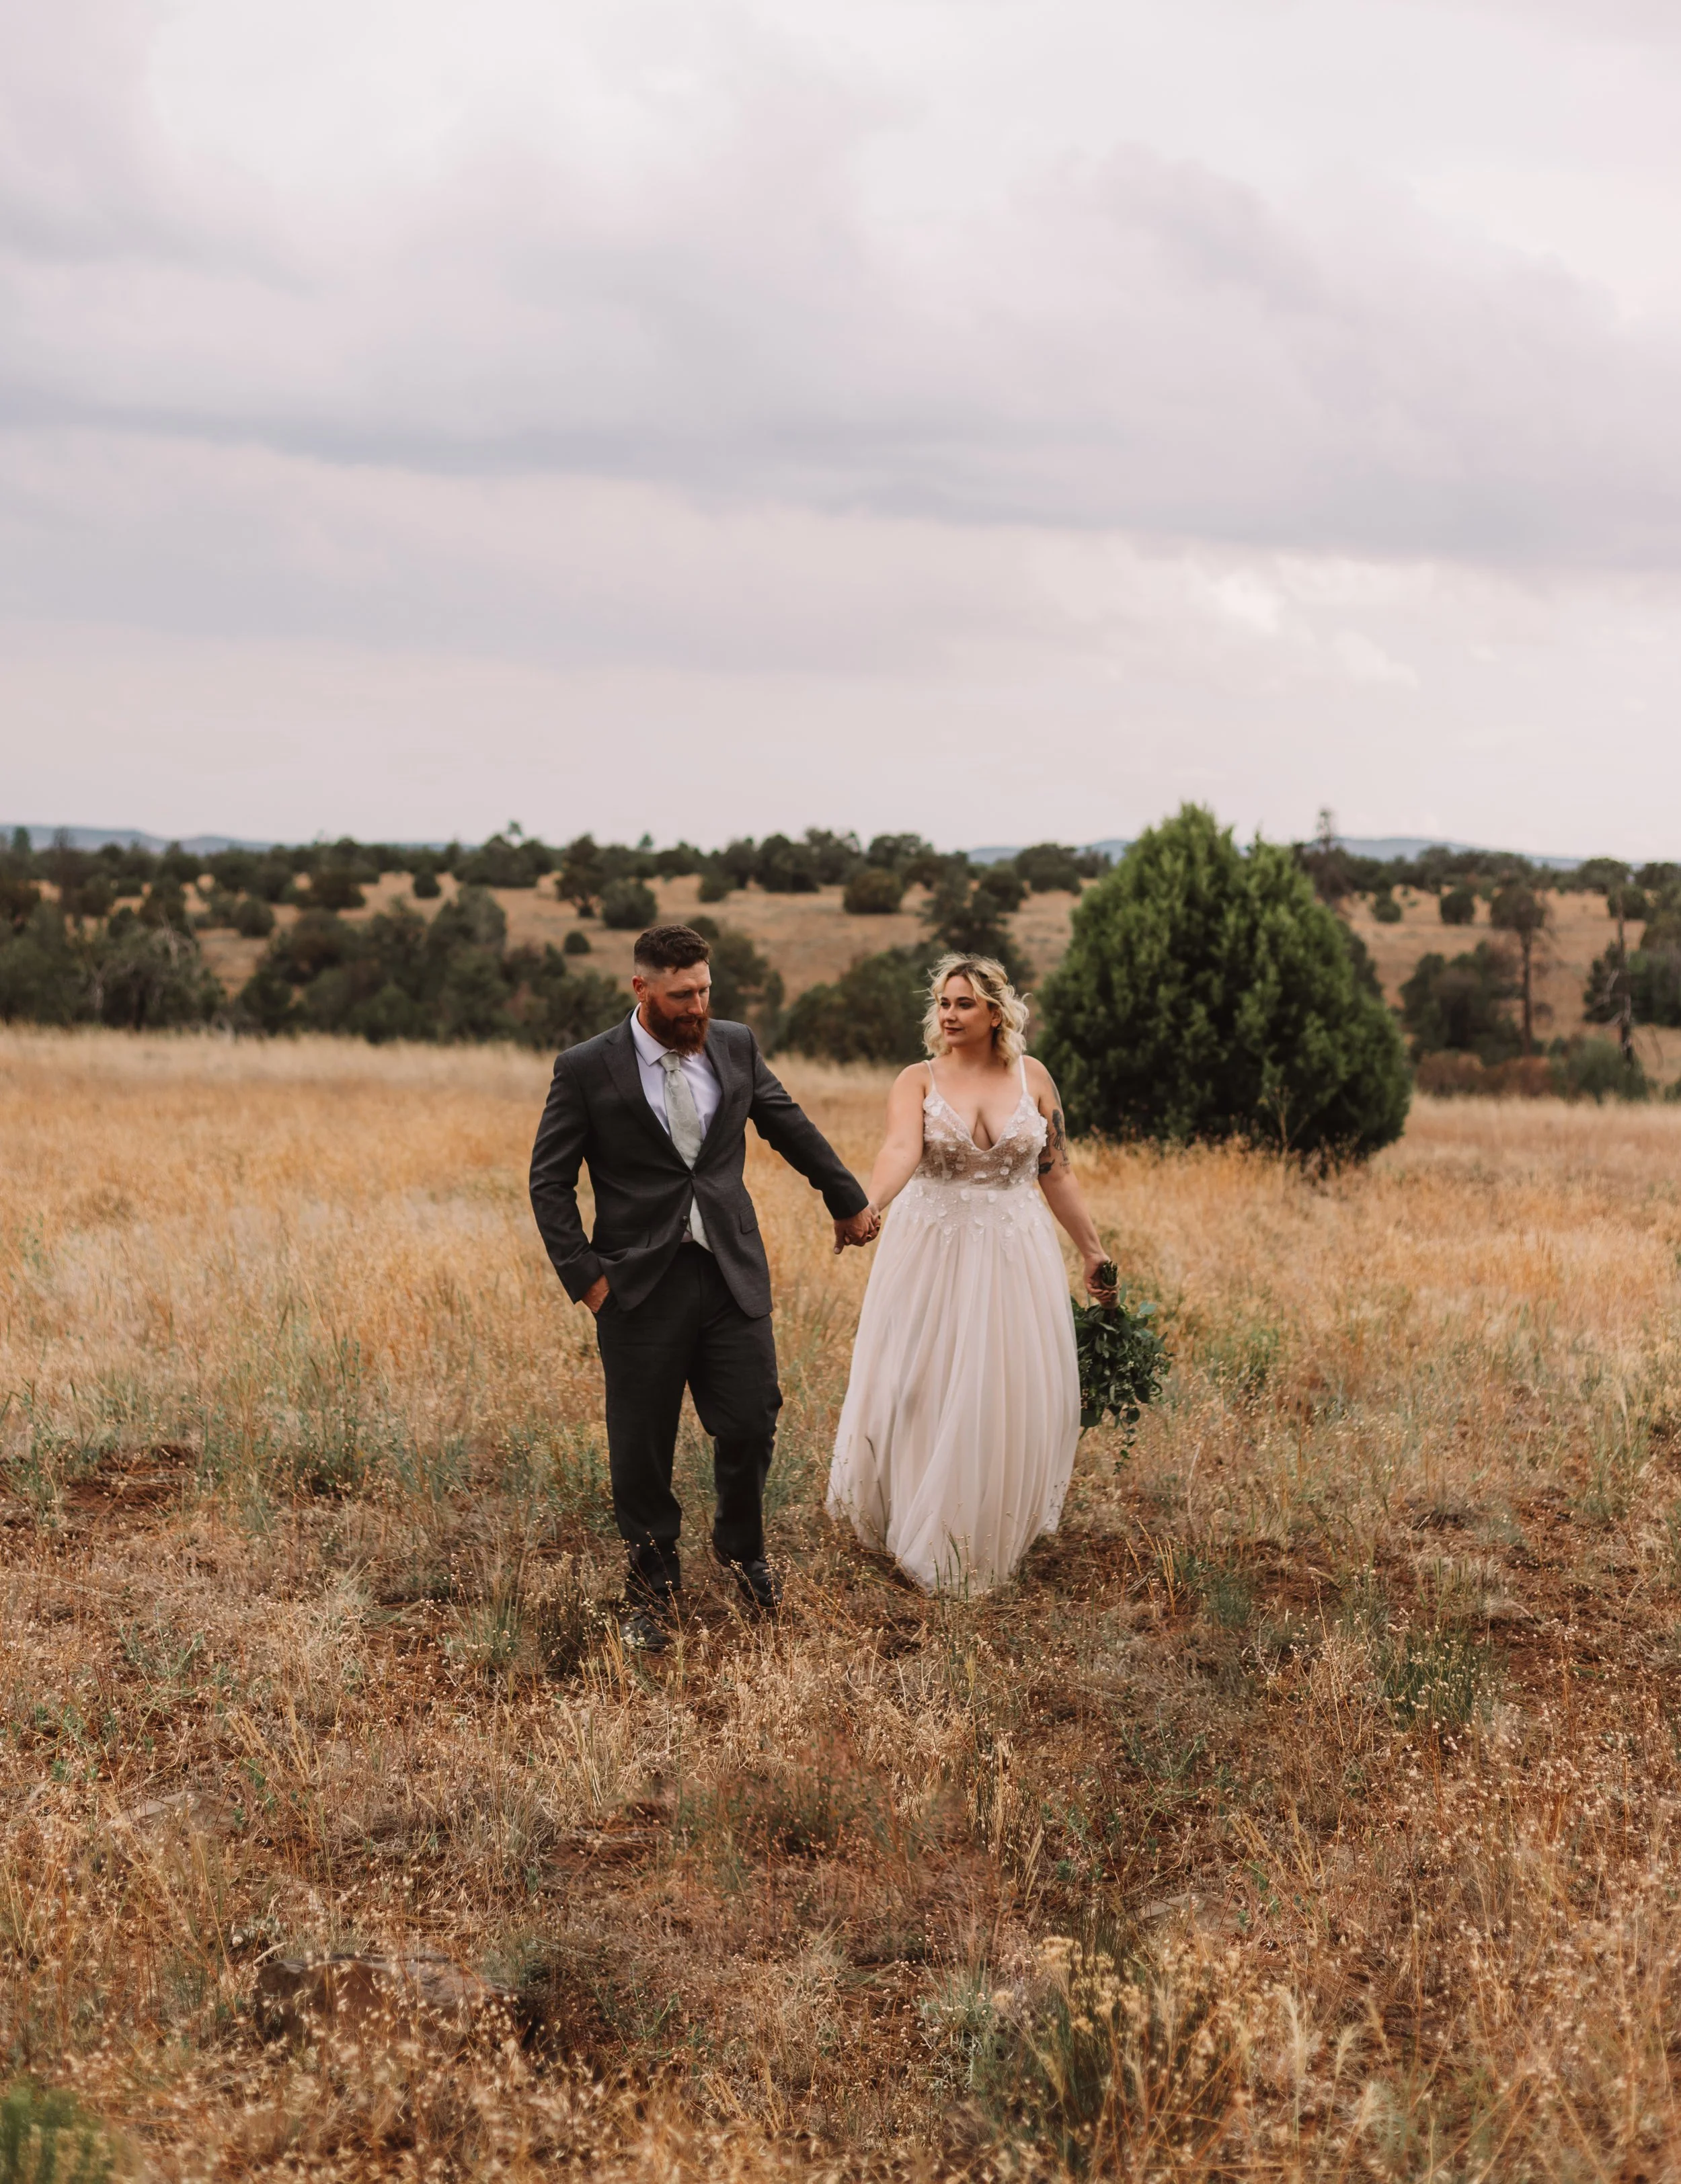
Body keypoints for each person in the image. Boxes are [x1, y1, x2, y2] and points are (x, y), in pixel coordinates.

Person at [529, 922, 879, 1651]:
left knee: (752, 1418)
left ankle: (740, 1548)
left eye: (705, 991)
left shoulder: (734, 1044)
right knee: (642, 1444)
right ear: (642, 989)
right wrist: (588, 1281)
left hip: (729, 1271)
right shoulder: (586, 1067)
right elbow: (549, 1182)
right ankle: (652, 1588)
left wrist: (845, 1198)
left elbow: (787, 1123)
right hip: (636, 1284)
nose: (696, 1007)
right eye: (681, 995)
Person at [827, 953, 1116, 1593]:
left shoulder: (1034, 1077)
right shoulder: (917, 1079)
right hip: (930, 1250)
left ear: (994, 1011)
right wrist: (869, 1205)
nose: (948, 1014)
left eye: (962, 1003)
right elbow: (901, 1149)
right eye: (943, 1003)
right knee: (919, 1380)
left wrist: (1092, 1251)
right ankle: (911, 1515)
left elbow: (1056, 1170)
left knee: (1004, 1384)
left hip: (1016, 1254)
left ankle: (982, 1529)